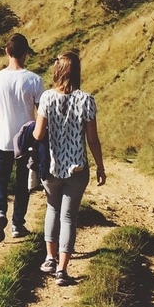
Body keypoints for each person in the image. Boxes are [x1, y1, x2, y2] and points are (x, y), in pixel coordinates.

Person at [34, 49, 105, 285]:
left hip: (52, 167)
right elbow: (92, 139)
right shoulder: (87, 100)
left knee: (52, 209)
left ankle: (49, 258)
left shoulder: (46, 98)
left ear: (58, 70)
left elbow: (38, 133)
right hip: (77, 167)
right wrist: (100, 167)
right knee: (68, 217)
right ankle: (62, 270)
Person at [0, 33, 43, 242]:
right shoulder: (34, 80)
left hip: (3, 137)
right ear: (26, 53)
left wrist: (7, 115)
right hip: (27, 139)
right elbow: (41, 113)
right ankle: (18, 224)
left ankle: (0, 212)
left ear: (6, 51)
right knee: (22, 183)